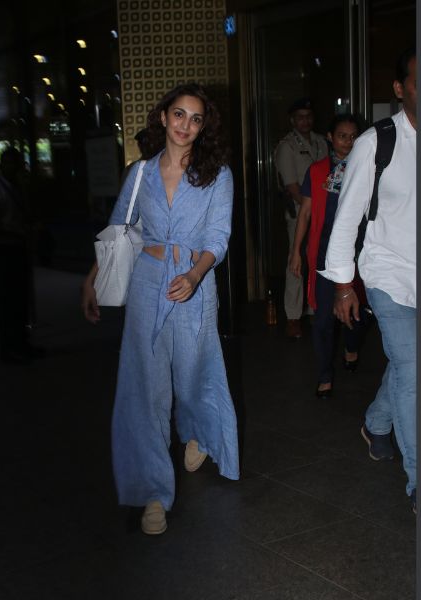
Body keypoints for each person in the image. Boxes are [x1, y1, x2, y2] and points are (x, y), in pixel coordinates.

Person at [81, 83, 240, 535]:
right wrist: (91, 279)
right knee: (145, 388)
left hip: (194, 282)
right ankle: (152, 492)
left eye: (196, 118)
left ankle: (199, 431)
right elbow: (119, 229)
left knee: (192, 376)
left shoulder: (216, 175)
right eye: (179, 114)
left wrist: (195, 276)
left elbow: (218, 238)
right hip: (148, 282)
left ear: (203, 127)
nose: (186, 125)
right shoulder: (140, 174)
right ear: (164, 116)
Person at [319, 48, 417, 514]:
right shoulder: (376, 142)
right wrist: (343, 285)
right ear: (399, 88)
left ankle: (377, 423)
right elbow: (346, 217)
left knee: (408, 365)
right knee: (415, 370)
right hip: (387, 272)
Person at [289, 114, 366, 398]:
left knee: (357, 314)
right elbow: (305, 213)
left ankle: (352, 346)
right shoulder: (317, 170)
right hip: (323, 253)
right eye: (342, 136)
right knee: (322, 319)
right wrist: (296, 251)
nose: (348, 141)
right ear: (331, 138)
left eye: (353, 136)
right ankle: (324, 374)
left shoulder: (366, 168)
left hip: (357, 253)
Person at [0, 147, 43, 365]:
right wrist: (12, 232)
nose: (12, 168)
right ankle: (8, 347)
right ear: (1, 165)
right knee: (6, 300)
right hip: (2, 249)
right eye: (8, 163)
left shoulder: (18, 188)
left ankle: (21, 342)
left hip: (17, 247)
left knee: (20, 298)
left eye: (15, 163)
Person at [274, 98, 329, 338]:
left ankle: (314, 307)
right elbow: (292, 186)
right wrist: (311, 211)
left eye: (308, 116)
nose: (305, 121)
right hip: (300, 213)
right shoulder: (287, 146)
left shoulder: (322, 141)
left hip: (324, 212)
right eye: (300, 117)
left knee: (318, 259)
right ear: (292, 120)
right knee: (296, 261)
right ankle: (293, 316)